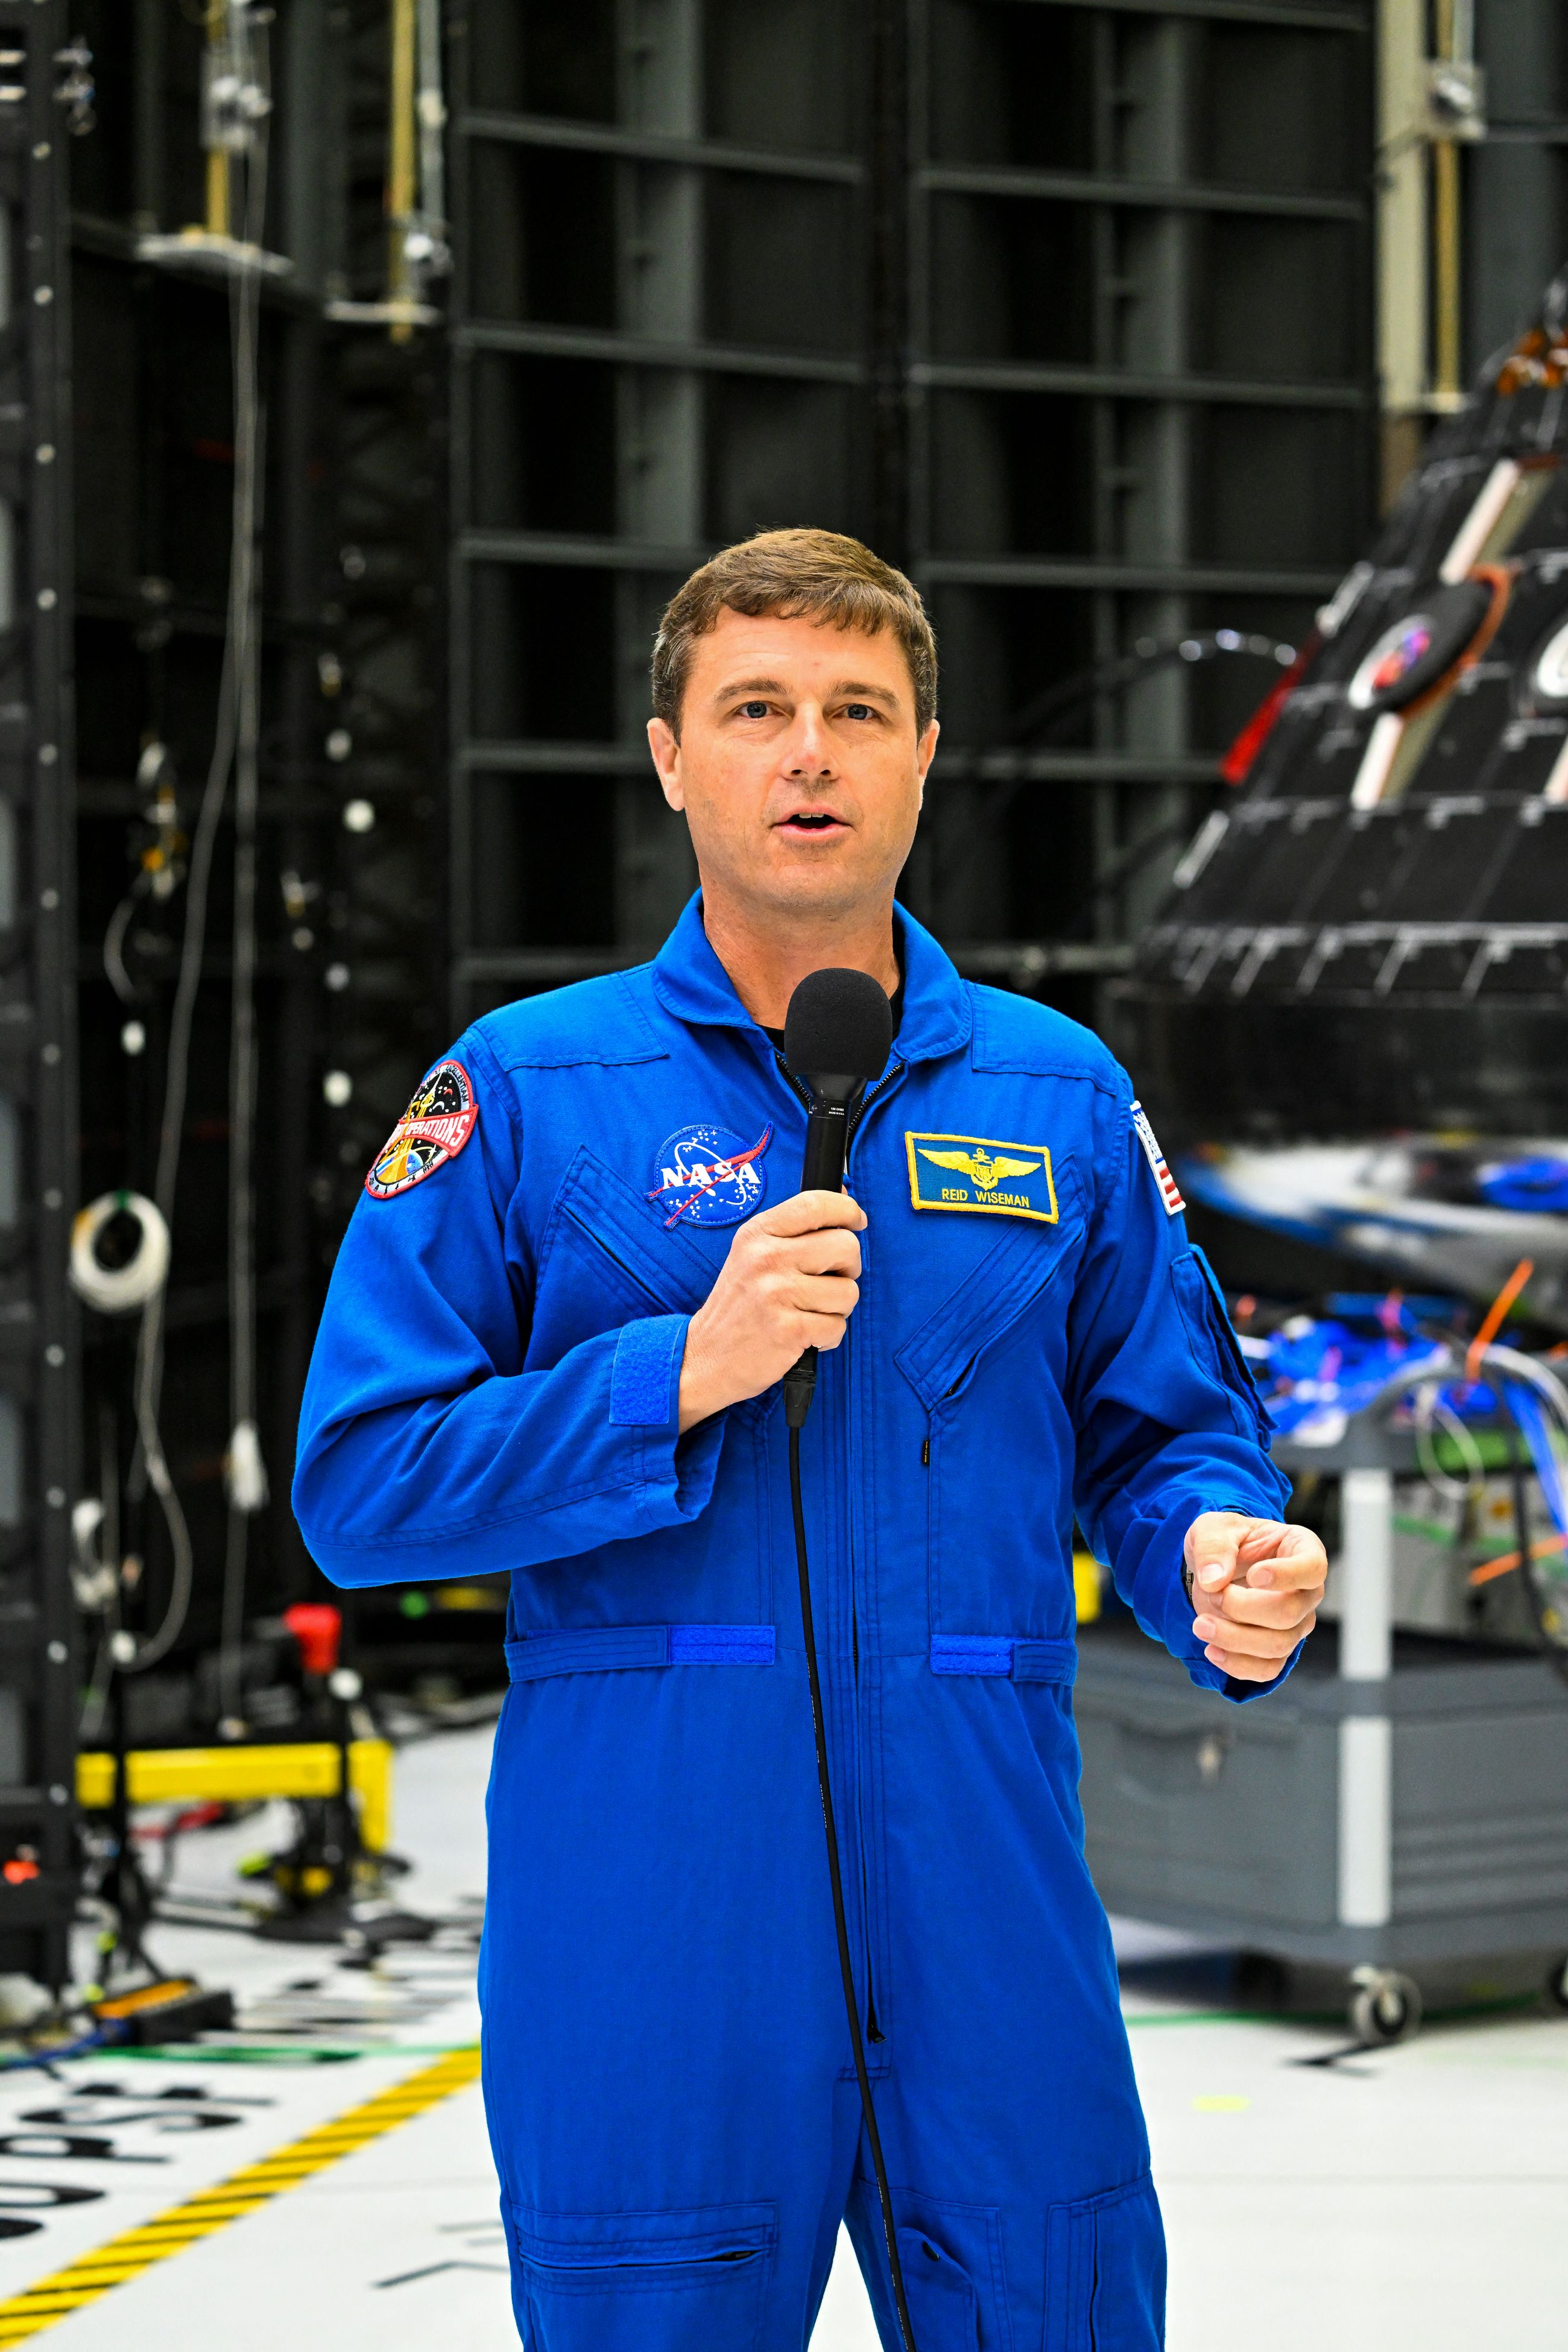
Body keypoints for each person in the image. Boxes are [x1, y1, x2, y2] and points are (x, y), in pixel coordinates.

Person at [294, 528, 1326, 2351]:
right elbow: (364, 1486)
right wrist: (673, 1373)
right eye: (756, 707)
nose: (809, 754)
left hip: (985, 1890)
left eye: (857, 711)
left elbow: (1166, 1433)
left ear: (923, 755)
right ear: (669, 756)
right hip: (656, 1915)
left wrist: (1215, 1554)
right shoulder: (528, 1091)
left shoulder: (1062, 1094)